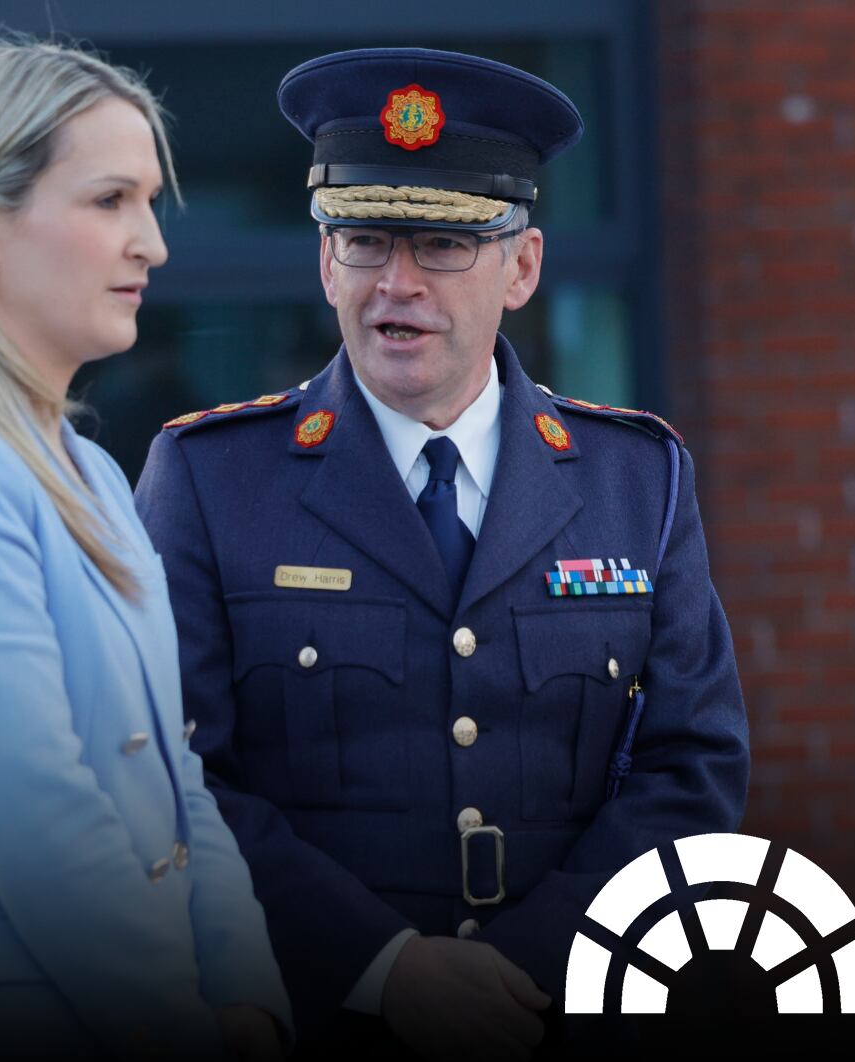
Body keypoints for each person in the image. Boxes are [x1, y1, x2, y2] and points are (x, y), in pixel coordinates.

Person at [135, 48, 749, 1058]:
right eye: (366, 240)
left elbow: (694, 764)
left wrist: (531, 969)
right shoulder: (209, 478)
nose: (399, 283)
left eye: (444, 244)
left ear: (522, 267)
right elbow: (180, 776)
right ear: (326, 261)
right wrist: (390, 971)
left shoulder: (635, 477)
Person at [0, 40, 289, 1060]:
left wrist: (250, 1001)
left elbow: (176, 780)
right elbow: (41, 826)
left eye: (150, 201)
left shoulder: (91, 475)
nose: (152, 245)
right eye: (111, 199)